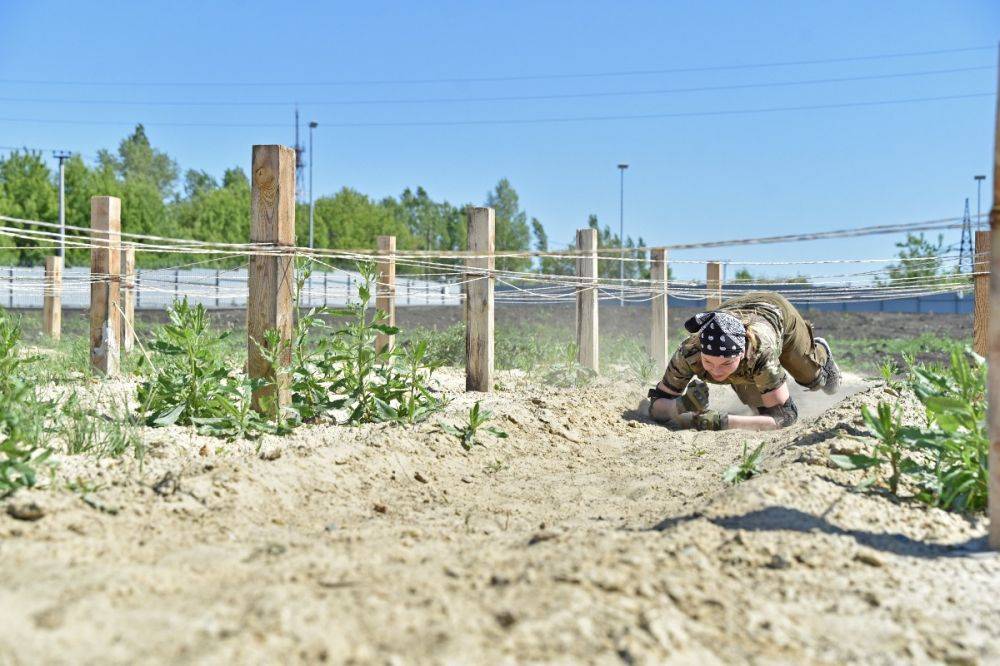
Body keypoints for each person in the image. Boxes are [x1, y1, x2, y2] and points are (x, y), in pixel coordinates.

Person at [646, 292, 841, 431]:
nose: (716, 371)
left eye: (725, 363)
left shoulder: (760, 354)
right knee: (762, 410)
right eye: (708, 362)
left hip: (775, 311)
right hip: (732, 313)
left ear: (742, 354)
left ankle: (821, 352)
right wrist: (682, 404)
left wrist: (723, 422)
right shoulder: (689, 352)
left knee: (817, 380)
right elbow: (656, 407)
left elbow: (786, 416)